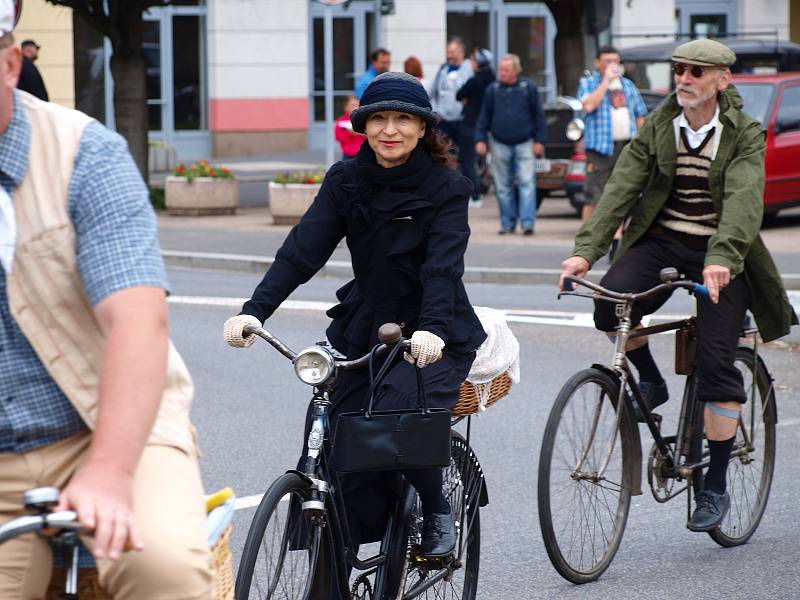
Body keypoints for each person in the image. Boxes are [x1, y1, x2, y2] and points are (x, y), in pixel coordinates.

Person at [224, 72, 486, 563]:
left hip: (436, 328)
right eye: (379, 118)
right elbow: (302, 252)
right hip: (364, 325)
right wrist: (252, 311)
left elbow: (442, 267)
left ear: (422, 128)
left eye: (403, 119)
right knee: (331, 429)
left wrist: (430, 328)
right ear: (363, 127)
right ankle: (335, 553)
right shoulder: (346, 180)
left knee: (398, 416)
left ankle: (435, 510)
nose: (390, 129)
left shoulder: (448, 187)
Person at [0, 7, 212, 598]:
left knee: (162, 567)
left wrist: (110, 471)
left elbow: (138, 320)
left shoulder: (84, 154)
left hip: (111, 427)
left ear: (11, 64)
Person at [559, 39, 798, 532]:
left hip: (722, 253)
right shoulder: (660, 127)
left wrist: (722, 259)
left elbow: (743, 201)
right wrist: (586, 250)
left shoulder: (743, 133)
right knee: (610, 307)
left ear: (721, 80)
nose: (684, 78)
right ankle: (649, 377)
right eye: (679, 70)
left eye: (695, 71)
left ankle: (714, 486)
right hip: (663, 241)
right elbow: (622, 187)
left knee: (715, 365)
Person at [578, 46, 647, 236]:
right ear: (597, 63)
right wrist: (606, 81)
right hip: (600, 148)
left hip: (626, 146)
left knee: (621, 194)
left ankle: (616, 238)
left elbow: (640, 115)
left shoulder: (627, 85)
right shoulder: (589, 83)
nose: (612, 65)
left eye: (615, 61)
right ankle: (587, 238)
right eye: (607, 61)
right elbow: (589, 106)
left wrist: (643, 143)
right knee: (593, 195)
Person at [474, 53, 547, 235]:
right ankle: (507, 223)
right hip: (499, 142)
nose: (502, 73)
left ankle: (528, 223)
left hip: (525, 142)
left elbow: (539, 116)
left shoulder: (527, 87)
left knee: (527, 183)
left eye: (506, 69)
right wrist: (480, 138)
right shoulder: (493, 89)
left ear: (516, 70)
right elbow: (484, 116)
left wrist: (540, 141)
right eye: (501, 69)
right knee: (502, 185)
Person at [456, 48, 495, 209]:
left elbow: (459, 94)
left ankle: (475, 194)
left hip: (470, 123)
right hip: (485, 125)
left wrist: (467, 99)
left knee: (467, 161)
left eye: (472, 60)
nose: (470, 63)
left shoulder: (475, 80)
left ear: (478, 63)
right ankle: (477, 192)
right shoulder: (493, 80)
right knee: (476, 161)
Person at [429, 36, 473, 152]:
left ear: (461, 53)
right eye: (448, 52)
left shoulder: (470, 69)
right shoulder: (443, 69)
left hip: (462, 121)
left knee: (465, 157)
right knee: (442, 153)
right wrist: (435, 111)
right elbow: (433, 92)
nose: (449, 55)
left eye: (452, 52)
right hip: (443, 121)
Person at [334, 94, 365, 160]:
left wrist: (359, 133)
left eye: (358, 105)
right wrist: (349, 134)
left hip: (364, 155)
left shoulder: (364, 120)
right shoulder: (341, 121)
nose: (356, 108)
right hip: (348, 156)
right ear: (346, 107)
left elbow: (371, 136)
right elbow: (338, 137)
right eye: (353, 105)